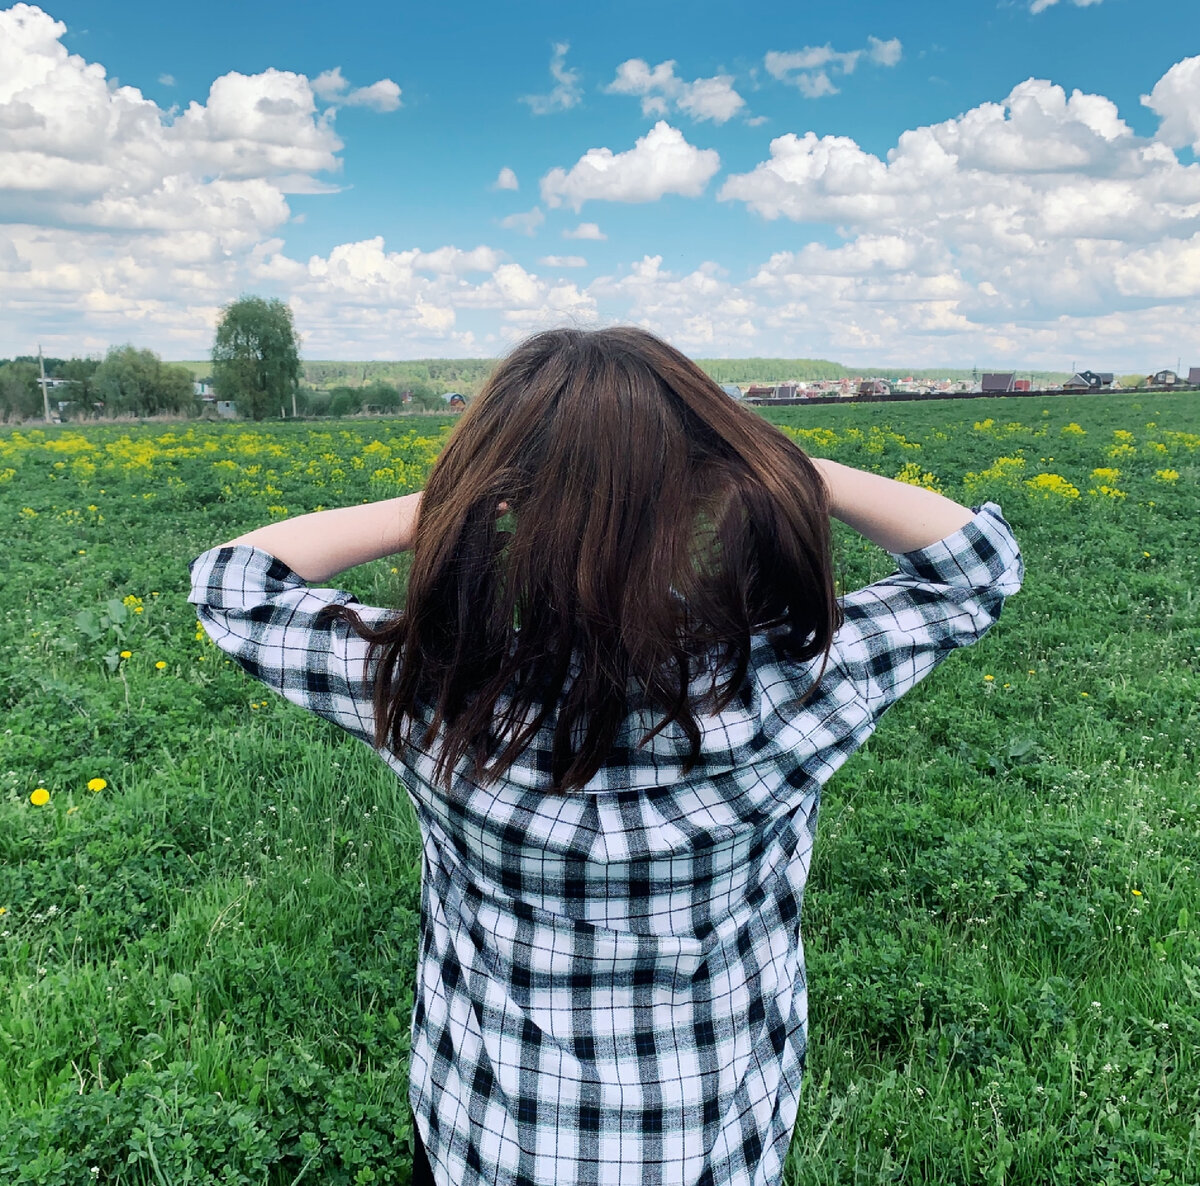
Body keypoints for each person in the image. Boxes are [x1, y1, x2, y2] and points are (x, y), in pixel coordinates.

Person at [187, 326, 1024, 1186]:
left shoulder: (442, 697)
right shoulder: (787, 692)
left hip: (490, 1138)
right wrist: (779, 465)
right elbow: (978, 567)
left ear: (500, 503)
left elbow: (232, 583)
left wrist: (450, 502)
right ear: (699, 493)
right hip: (713, 1145)